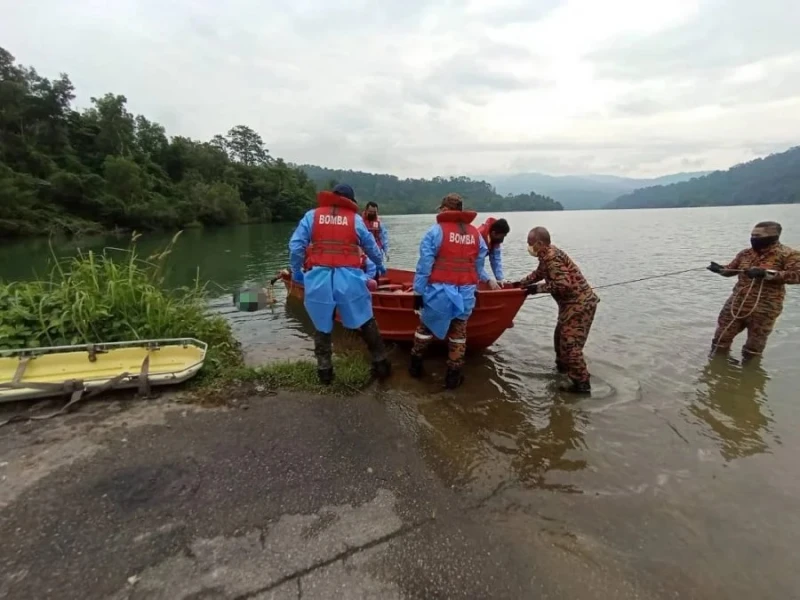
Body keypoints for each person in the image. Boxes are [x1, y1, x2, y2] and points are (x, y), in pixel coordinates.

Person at [288, 183, 391, 384]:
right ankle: (382, 365)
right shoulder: (356, 220)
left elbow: (295, 247)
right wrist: (379, 265)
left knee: (321, 324)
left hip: (319, 279)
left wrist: (296, 271)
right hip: (349, 280)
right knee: (366, 320)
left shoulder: (312, 216)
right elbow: (371, 247)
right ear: (351, 202)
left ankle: (324, 372)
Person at [409, 193, 488, 389]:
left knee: (425, 329)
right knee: (459, 333)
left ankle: (415, 367)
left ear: (445, 210)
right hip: (466, 291)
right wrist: (477, 285)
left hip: (439, 291)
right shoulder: (476, 234)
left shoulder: (435, 232)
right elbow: (479, 263)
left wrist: (418, 292)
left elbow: (425, 264)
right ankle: (453, 377)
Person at [518, 226, 599, 394]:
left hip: (580, 305)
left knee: (570, 345)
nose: (528, 246)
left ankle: (581, 384)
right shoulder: (546, 255)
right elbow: (539, 273)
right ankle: (564, 372)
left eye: (530, 242)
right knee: (559, 339)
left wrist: (536, 289)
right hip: (570, 306)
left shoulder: (552, 257)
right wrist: (520, 284)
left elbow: (563, 284)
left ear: (540, 243)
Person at [707, 221, 800, 358]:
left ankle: (749, 375)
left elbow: (797, 276)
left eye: (757, 235)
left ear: (773, 235)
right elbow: (731, 269)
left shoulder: (789, 255)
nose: (753, 238)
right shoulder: (745, 254)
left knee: (754, 347)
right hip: (737, 303)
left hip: (766, 308)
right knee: (720, 339)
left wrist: (766, 274)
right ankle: (719, 369)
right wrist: (719, 269)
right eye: (752, 235)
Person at [477, 217, 510, 289]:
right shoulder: (479, 238)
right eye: (501, 237)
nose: (502, 240)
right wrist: (488, 280)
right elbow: (476, 265)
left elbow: (496, 259)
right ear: (493, 233)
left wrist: (500, 279)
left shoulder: (495, 239)